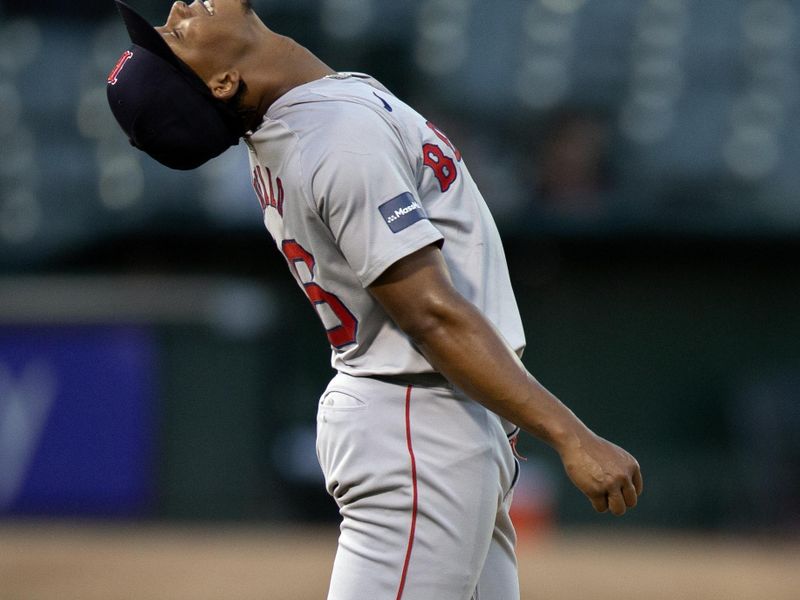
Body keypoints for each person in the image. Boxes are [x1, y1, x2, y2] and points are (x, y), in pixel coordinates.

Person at [106, 2, 643, 599]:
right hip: (418, 426)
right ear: (224, 82)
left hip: (432, 418)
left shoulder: (308, 116)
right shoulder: (334, 139)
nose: (180, 7)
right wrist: (569, 434)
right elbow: (430, 314)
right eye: (179, 33)